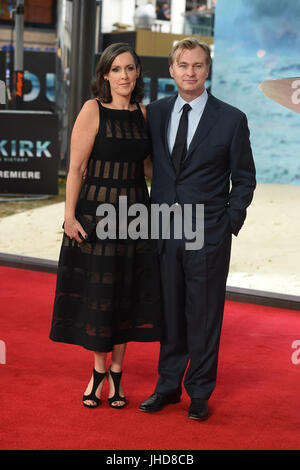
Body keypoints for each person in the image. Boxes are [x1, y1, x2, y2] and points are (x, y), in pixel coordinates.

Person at [139, 38, 256, 420]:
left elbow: (244, 179)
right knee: (170, 312)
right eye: (183, 65)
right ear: (171, 70)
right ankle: (168, 387)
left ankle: (200, 392)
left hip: (208, 233)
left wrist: (227, 224)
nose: (190, 72)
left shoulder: (231, 119)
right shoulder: (154, 114)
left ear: (208, 70)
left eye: (198, 65)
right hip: (162, 230)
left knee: (204, 315)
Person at [50, 43, 162, 410]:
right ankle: (97, 372)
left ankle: (117, 373)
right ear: (105, 75)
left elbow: (147, 167)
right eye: (117, 69)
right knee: (100, 295)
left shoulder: (144, 114)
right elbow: (77, 169)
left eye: (130, 68)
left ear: (138, 73)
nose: (124, 76)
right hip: (96, 217)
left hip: (134, 217)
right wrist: (69, 217)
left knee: (125, 295)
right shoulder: (91, 110)